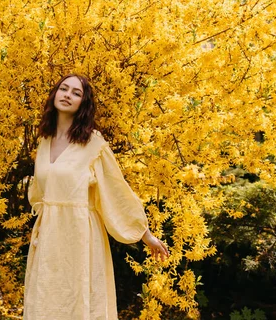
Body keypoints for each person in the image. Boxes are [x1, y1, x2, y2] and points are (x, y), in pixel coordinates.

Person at [24, 74, 169, 320]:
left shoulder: (93, 143)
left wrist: (145, 234)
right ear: (55, 94)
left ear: (83, 103)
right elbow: (39, 194)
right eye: (64, 89)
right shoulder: (44, 141)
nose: (68, 95)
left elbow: (116, 191)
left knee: (79, 302)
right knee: (46, 300)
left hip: (80, 237)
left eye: (76, 93)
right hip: (48, 237)